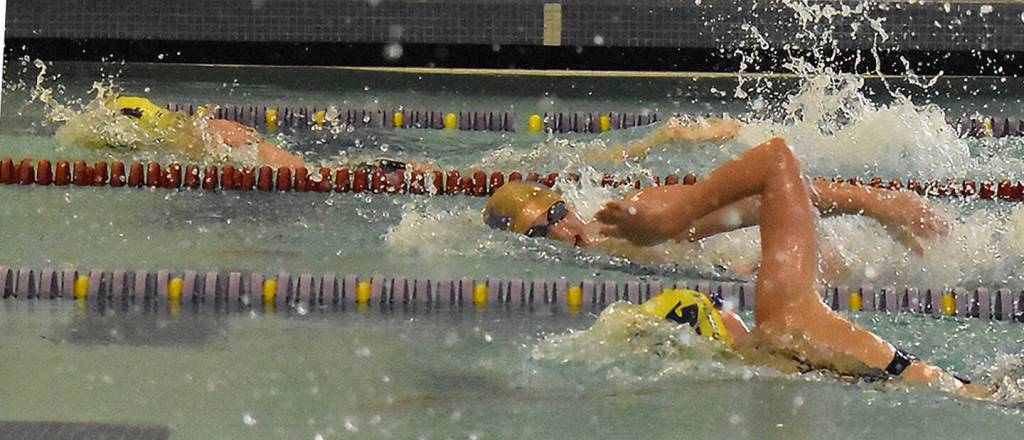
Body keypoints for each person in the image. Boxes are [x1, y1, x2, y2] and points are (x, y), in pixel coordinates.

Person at [483, 139, 988, 397]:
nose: (560, 232)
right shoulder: (787, 325)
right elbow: (774, 173)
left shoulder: (630, 218)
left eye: (553, 214)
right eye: (538, 231)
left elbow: (764, 188)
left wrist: (871, 203)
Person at [56, 95, 306, 168]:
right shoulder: (130, 115)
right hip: (210, 131)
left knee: (298, 170)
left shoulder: (114, 123)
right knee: (299, 170)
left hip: (214, 133)